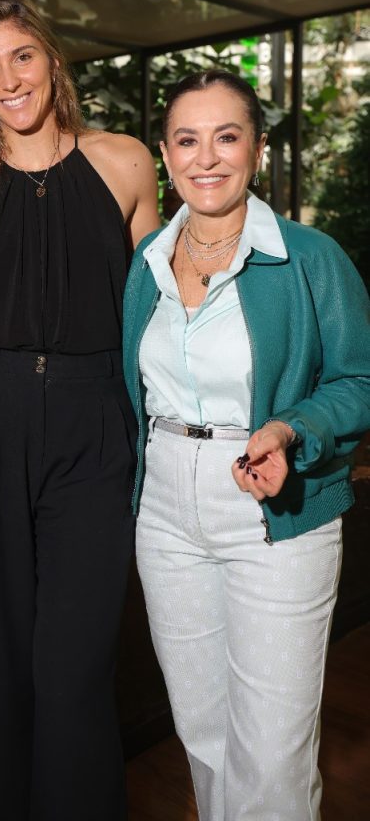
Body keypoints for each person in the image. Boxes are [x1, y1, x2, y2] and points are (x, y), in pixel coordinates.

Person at [122, 69, 370, 821]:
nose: (207, 158)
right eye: (187, 140)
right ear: (165, 157)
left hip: (273, 509)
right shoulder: (145, 267)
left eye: (226, 137)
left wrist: (293, 430)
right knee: (202, 735)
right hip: (164, 508)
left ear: (256, 150)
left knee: (272, 751)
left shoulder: (308, 257)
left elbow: (359, 378)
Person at [0, 0, 159, 821]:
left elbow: (162, 313)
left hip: (93, 421)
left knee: (75, 666)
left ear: (53, 61)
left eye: (20, 57)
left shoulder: (125, 161)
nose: (8, 79)